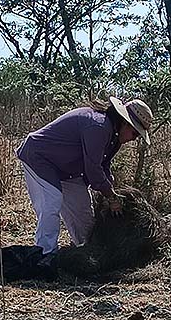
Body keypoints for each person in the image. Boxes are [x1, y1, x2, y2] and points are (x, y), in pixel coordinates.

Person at [15, 97, 154, 267]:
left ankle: (86, 253)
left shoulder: (114, 137)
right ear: (126, 123)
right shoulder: (98, 127)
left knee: (83, 213)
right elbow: (93, 170)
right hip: (40, 157)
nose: (134, 139)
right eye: (135, 133)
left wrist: (110, 186)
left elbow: (104, 166)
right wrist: (110, 197)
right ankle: (45, 256)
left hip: (67, 169)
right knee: (51, 203)